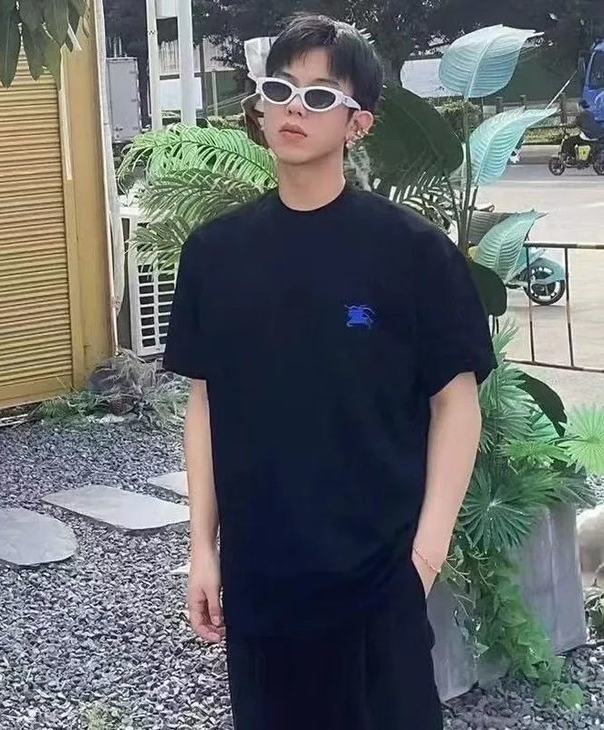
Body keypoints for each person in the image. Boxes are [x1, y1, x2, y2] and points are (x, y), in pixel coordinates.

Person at [162, 13, 496, 730]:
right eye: (280, 89)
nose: (294, 108)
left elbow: (457, 404)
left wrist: (424, 558)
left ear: (358, 124)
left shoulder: (411, 253)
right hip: (262, 582)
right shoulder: (216, 255)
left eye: (319, 96)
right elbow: (205, 404)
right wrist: (202, 551)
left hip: (377, 580)